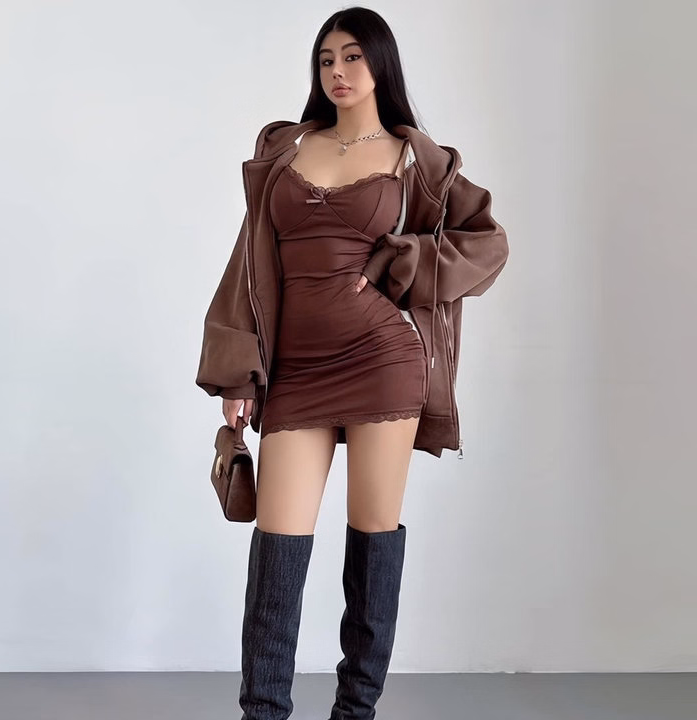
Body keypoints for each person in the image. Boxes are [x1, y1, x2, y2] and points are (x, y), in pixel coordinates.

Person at [195, 7, 509, 719]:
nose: (337, 71)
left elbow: (487, 243)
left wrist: (408, 259)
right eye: (326, 59)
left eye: (352, 57)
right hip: (296, 371)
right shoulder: (286, 149)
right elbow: (247, 263)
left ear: (380, 65)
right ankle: (262, 712)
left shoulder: (415, 159)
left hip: (382, 361)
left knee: (372, 541)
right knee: (277, 547)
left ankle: (354, 711)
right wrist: (238, 370)